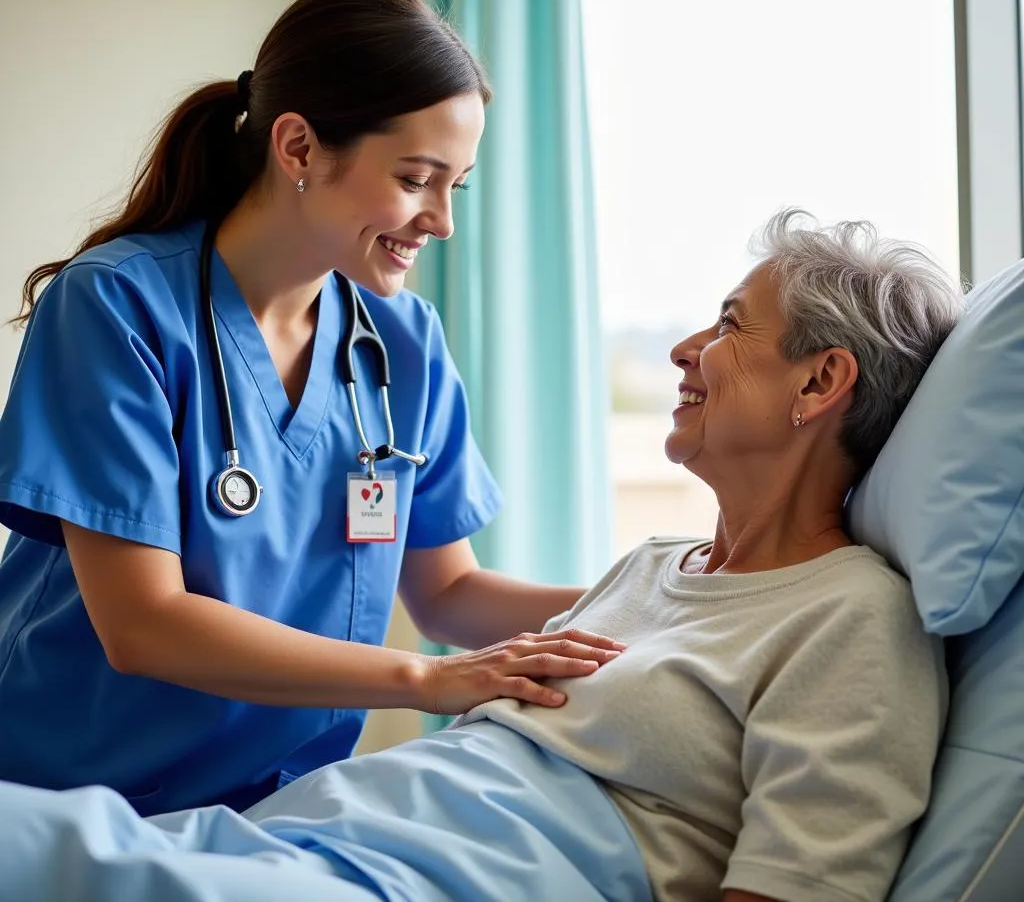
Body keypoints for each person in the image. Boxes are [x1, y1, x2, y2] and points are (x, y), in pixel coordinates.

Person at [0, 212, 964, 902]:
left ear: (823, 380)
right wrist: (434, 679)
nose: (683, 348)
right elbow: (460, 610)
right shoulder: (651, 570)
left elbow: (799, 878)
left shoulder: (855, 618)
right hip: (304, 826)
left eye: (729, 323)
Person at [0, 0, 625, 818]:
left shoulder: (405, 343)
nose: (440, 220)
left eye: (456, 186)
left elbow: (448, 594)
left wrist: (654, 604)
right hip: (67, 797)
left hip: (274, 806)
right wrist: (426, 679)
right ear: (297, 147)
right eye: (415, 178)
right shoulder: (115, 307)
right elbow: (141, 622)